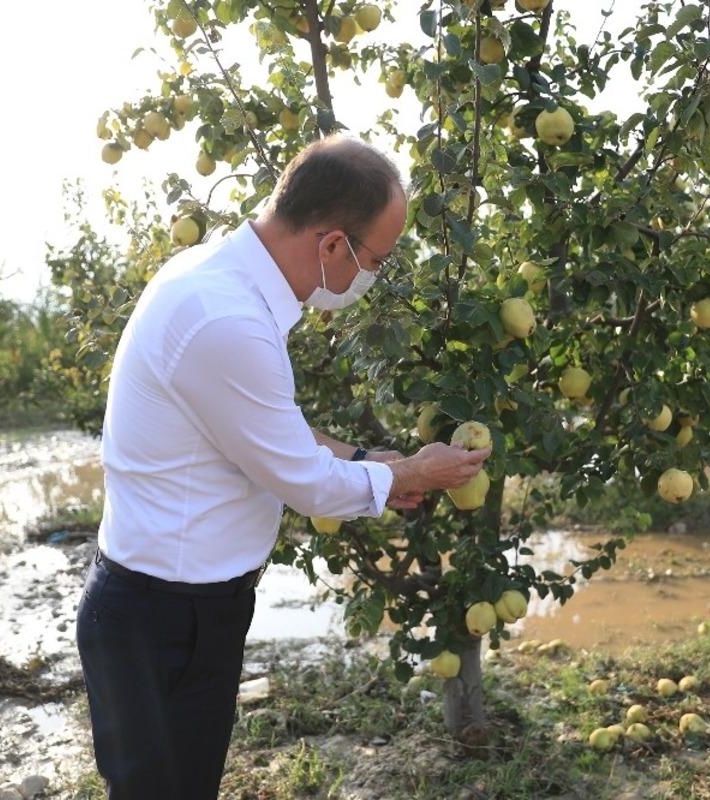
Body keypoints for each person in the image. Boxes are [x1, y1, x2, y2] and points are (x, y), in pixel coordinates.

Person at [76, 135, 490, 799]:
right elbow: (304, 483)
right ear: (332, 245)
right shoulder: (224, 318)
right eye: (376, 260)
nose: (373, 277)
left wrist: (369, 461)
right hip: (160, 620)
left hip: (190, 609)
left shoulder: (224, 283)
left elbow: (271, 433)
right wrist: (413, 473)